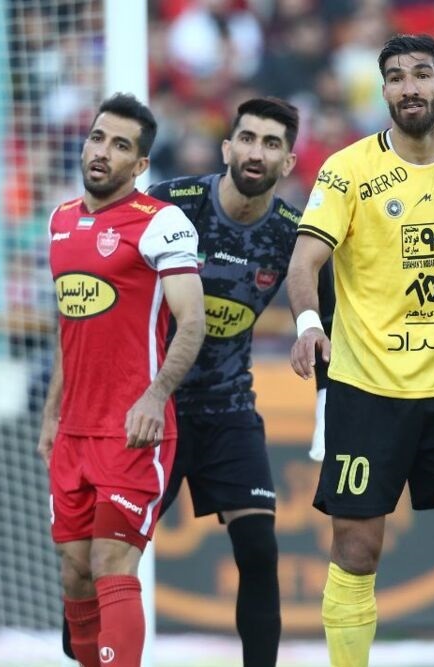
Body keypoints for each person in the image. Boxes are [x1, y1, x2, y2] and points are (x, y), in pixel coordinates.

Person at [287, 33, 434, 667]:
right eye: (395, 77)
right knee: (356, 552)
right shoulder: (348, 170)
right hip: (366, 388)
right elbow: (304, 261)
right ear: (384, 91)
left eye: (421, 74)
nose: (408, 87)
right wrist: (308, 323)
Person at [144, 96, 315, 667]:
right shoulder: (171, 205)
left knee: (260, 549)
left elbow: (329, 318)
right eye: (246, 138)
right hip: (155, 406)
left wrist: (325, 391)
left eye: (271, 143)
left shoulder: (293, 235)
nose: (255, 152)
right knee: (115, 549)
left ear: (288, 162)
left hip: (229, 408)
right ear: (226, 148)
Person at [39, 92, 205, 667]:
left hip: (133, 430)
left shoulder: (162, 223)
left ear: (140, 164)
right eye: (97, 138)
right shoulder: (60, 221)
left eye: (119, 145)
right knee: (76, 573)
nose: (102, 152)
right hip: (74, 431)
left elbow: (193, 321)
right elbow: (71, 324)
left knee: (112, 563)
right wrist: (52, 414)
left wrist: (155, 398)